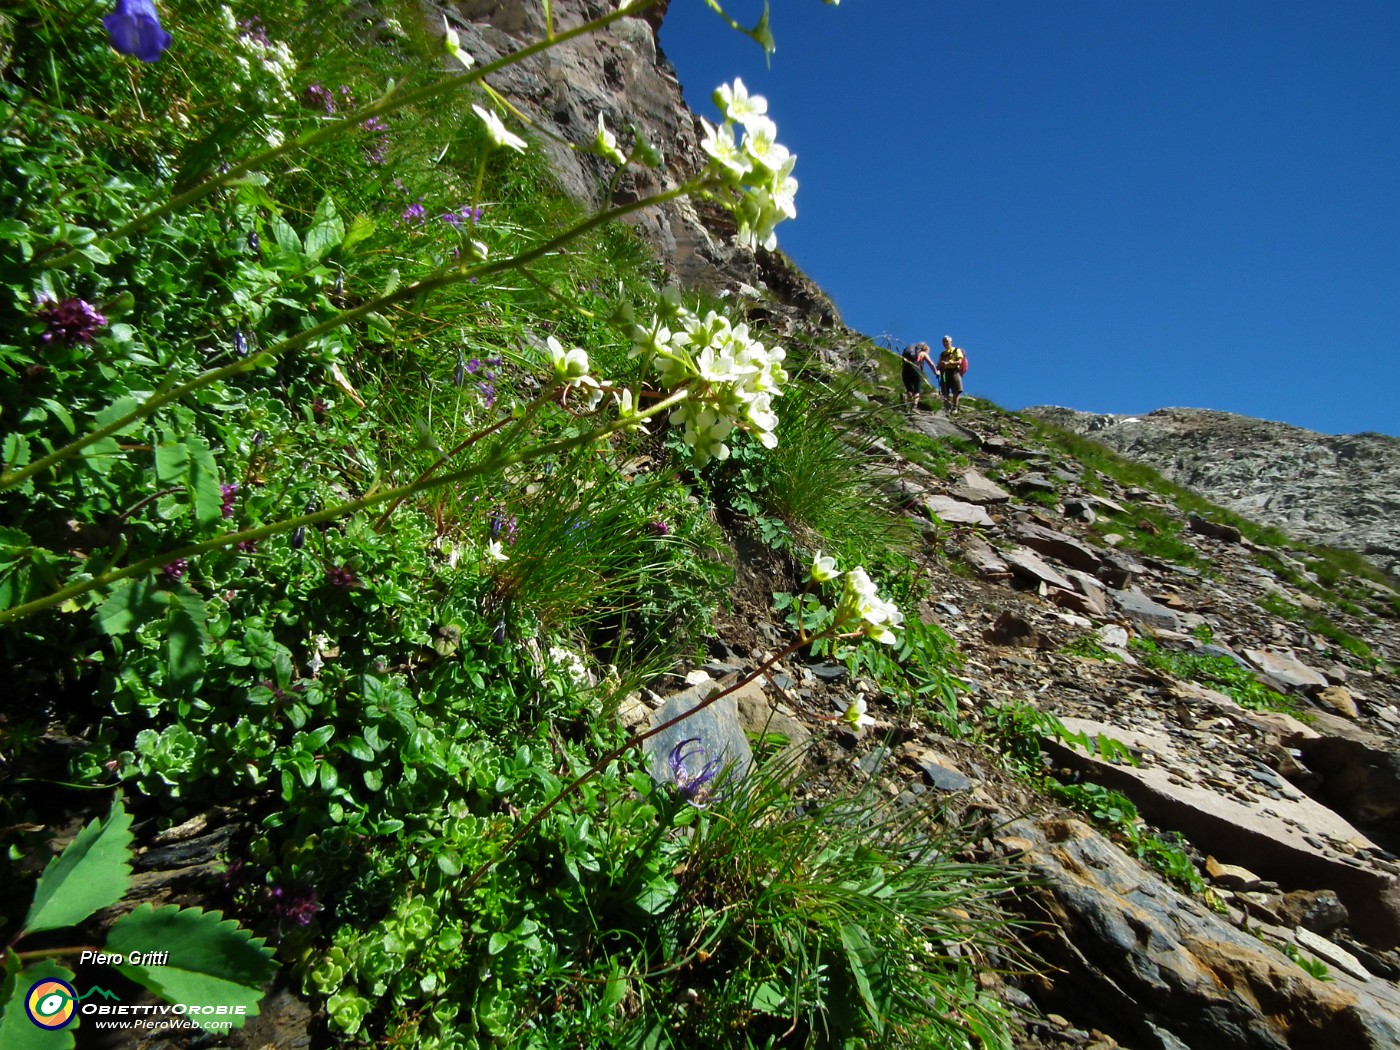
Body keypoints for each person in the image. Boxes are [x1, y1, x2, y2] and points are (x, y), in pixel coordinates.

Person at [936, 336, 966, 413]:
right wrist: (940, 367)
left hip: (954, 371)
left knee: (956, 391)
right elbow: (938, 365)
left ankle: (955, 408)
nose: (946, 343)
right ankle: (947, 407)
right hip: (945, 373)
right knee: (944, 391)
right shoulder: (942, 354)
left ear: (951, 342)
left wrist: (948, 363)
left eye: (947, 341)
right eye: (944, 342)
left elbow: (960, 362)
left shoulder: (956, 350)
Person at [900, 342, 931, 409]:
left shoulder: (911, 352)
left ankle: (905, 396)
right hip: (916, 371)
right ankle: (914, 406)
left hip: (905, 370)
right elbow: (931, 364)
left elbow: (903, 364)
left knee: (909, 390)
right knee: (917, 391)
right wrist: (936, 372)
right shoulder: (923, 353)